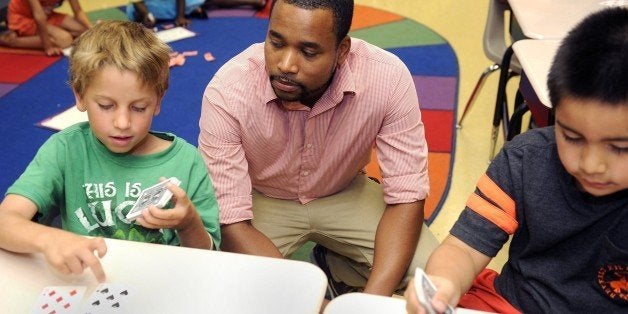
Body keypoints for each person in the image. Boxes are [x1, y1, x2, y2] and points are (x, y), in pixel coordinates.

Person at [198, 0, 438, 299]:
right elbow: (231, 219)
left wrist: (370, 302)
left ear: (342, 51)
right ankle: (333, 268)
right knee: (214, 282)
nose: (286, 64)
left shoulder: (387, 78)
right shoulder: (228, 89)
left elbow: (407, 195)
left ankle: (340, 268)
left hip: (344, 191)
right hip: (259, 199)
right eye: (275, 42)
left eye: (308, 52)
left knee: (433, 274)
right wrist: (310, 301)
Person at [405, 7, 628, 314]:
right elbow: (463, 250)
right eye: (572, 137)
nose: (590, 164)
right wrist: (443, 282)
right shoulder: (525, 160)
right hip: (512, 303)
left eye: (620, 148)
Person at [0, 20, 221, 282]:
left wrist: (189, 223)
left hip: (163, 285)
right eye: (106, 105)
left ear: (158, 101)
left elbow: (210, 258)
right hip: (88, 283)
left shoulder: (186, 161)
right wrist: (50, 239)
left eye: (139, 108)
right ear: (80, 96)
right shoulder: (65, 149)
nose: (123, 123)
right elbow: (6, 221)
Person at [0, 0, 91, 56]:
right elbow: (39, 16)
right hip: (23, 17)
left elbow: (78, 11)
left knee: (83, 31)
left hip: (47, 15)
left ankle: (56, 35)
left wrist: (93, 29)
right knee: (65, 40)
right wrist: (48, 46)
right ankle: (11, 41)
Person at [127, 0, 207, 28]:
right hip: (151, 4)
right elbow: (137, 2)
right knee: (132, 10)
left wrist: (180, 16)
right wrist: (146, 14)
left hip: (169, 2)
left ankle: (188, 10)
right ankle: (192, 10)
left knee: (194, 1)